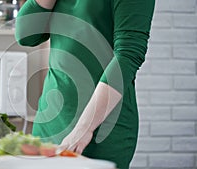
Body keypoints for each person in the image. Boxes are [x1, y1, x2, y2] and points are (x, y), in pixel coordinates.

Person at [15, 0, 155, 169]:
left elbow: (128, 54)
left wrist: (84, 129)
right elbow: (25, 35)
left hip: (103, 130)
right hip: (49, 124)